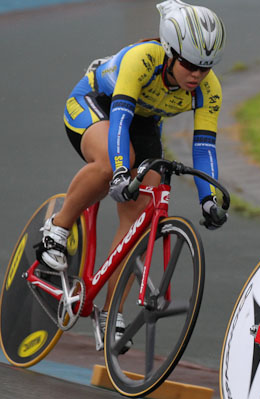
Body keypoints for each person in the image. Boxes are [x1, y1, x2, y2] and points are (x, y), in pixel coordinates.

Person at [36, 0, 228, 348]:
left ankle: (110, 313)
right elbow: (120, 118)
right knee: (110, 166)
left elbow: (204, 148)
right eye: (189, 64)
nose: (197, 75)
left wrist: (208, 200)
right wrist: (122, 171)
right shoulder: (142, 59)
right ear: (169, 52)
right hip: (97, 103)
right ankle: (58, 227)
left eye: (206, 66)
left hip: (142, 121)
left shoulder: (208, 89)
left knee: (141, 219)